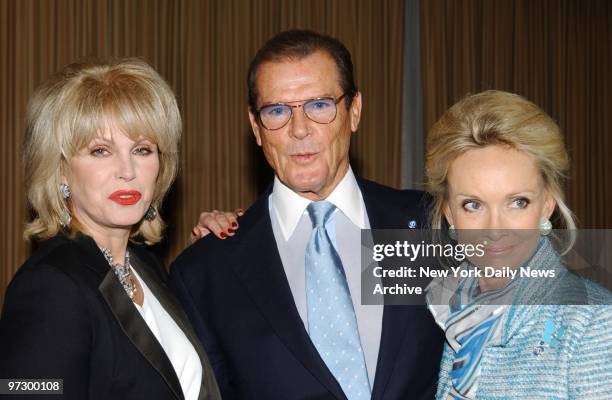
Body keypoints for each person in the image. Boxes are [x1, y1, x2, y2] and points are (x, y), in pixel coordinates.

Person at [169, 29, 444, 399]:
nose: (299, 130)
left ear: (354, 111)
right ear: (256, 127)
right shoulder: (206, 272)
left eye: (319, 105)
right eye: (277, 111)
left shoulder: (429, 224)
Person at [0, 59, 221, 400]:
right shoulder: (50, 288)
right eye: (100, 151)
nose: (127, 170)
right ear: (60, 170)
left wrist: (217, 255)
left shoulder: (145, 268)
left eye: (142, 149)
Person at [424, 90, 612, 399]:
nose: (495, 230)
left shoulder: (592, 323)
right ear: (449, 214)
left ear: (547, 205)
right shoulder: (445, 307)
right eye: (473, 205)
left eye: (518, 202)